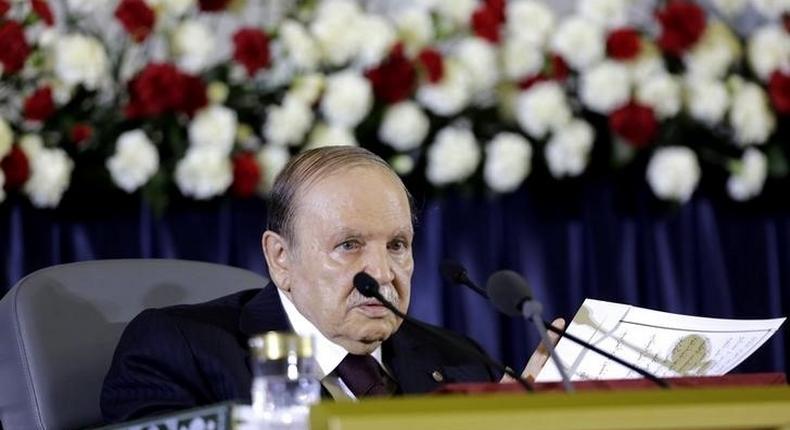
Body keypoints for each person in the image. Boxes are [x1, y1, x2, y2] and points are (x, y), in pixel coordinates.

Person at [101, 146, 563, 422]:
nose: (382, 272)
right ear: (280, 257)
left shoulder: (462, 361)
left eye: (398, 245)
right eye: (349, 245)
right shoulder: (179, 351)